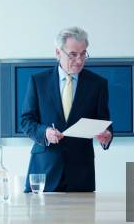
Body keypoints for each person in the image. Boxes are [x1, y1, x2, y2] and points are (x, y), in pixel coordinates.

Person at [21, 26, 112, 192]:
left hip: (81, 174)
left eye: (83, 54)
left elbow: (104, 123)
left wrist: (107, 135)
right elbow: (26, 121)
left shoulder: (98, 84)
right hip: (44, 172)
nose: (79, 60)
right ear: (58, 53)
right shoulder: (38, 81)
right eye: (73, 54)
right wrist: (45, 133)